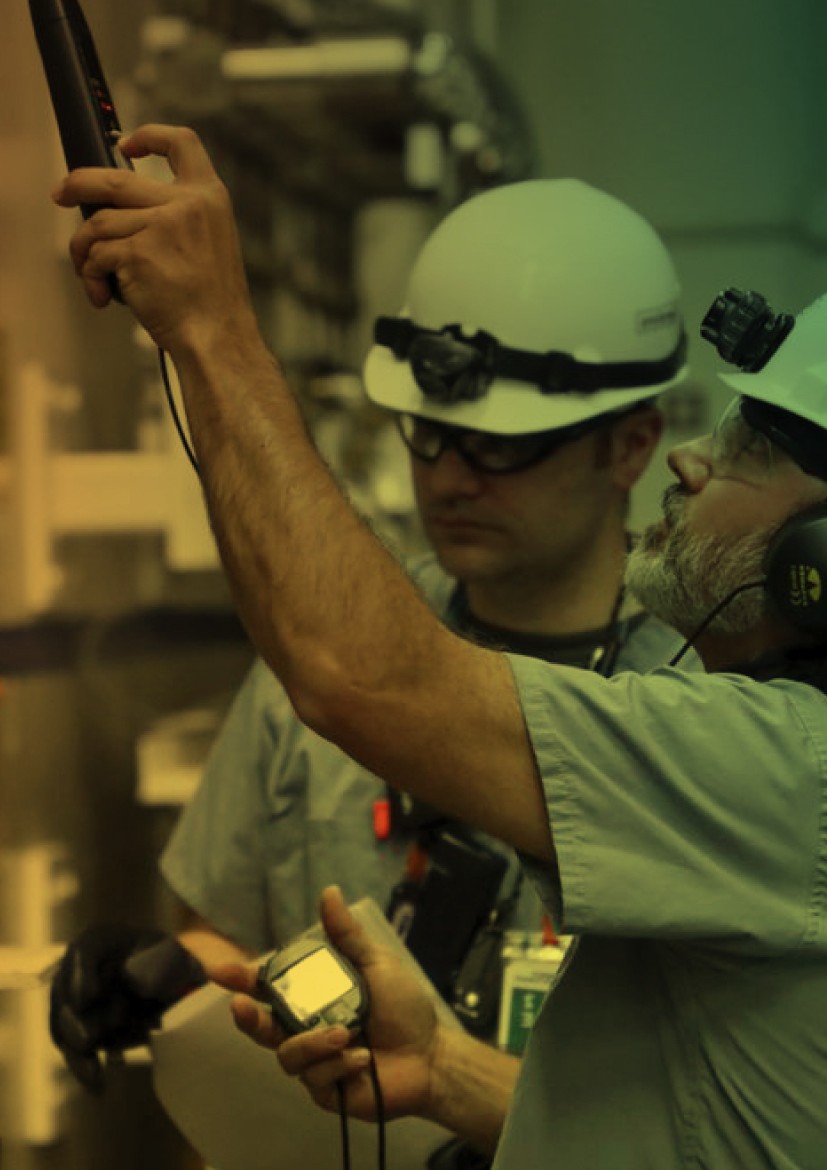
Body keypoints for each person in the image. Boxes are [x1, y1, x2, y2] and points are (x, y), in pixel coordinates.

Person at [53, 124, 827, 1168]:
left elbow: (357, 670)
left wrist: (212, 326)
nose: (694, 462)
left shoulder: (812, 783)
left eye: (750, 445)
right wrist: (446, 1068)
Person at [48, 177, 695, 1101]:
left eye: (501, 446)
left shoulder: (709, 702)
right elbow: (225, 939)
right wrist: (167, 981)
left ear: (631, 446)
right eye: (429, 433)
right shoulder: (321, 662)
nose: (451, 478)